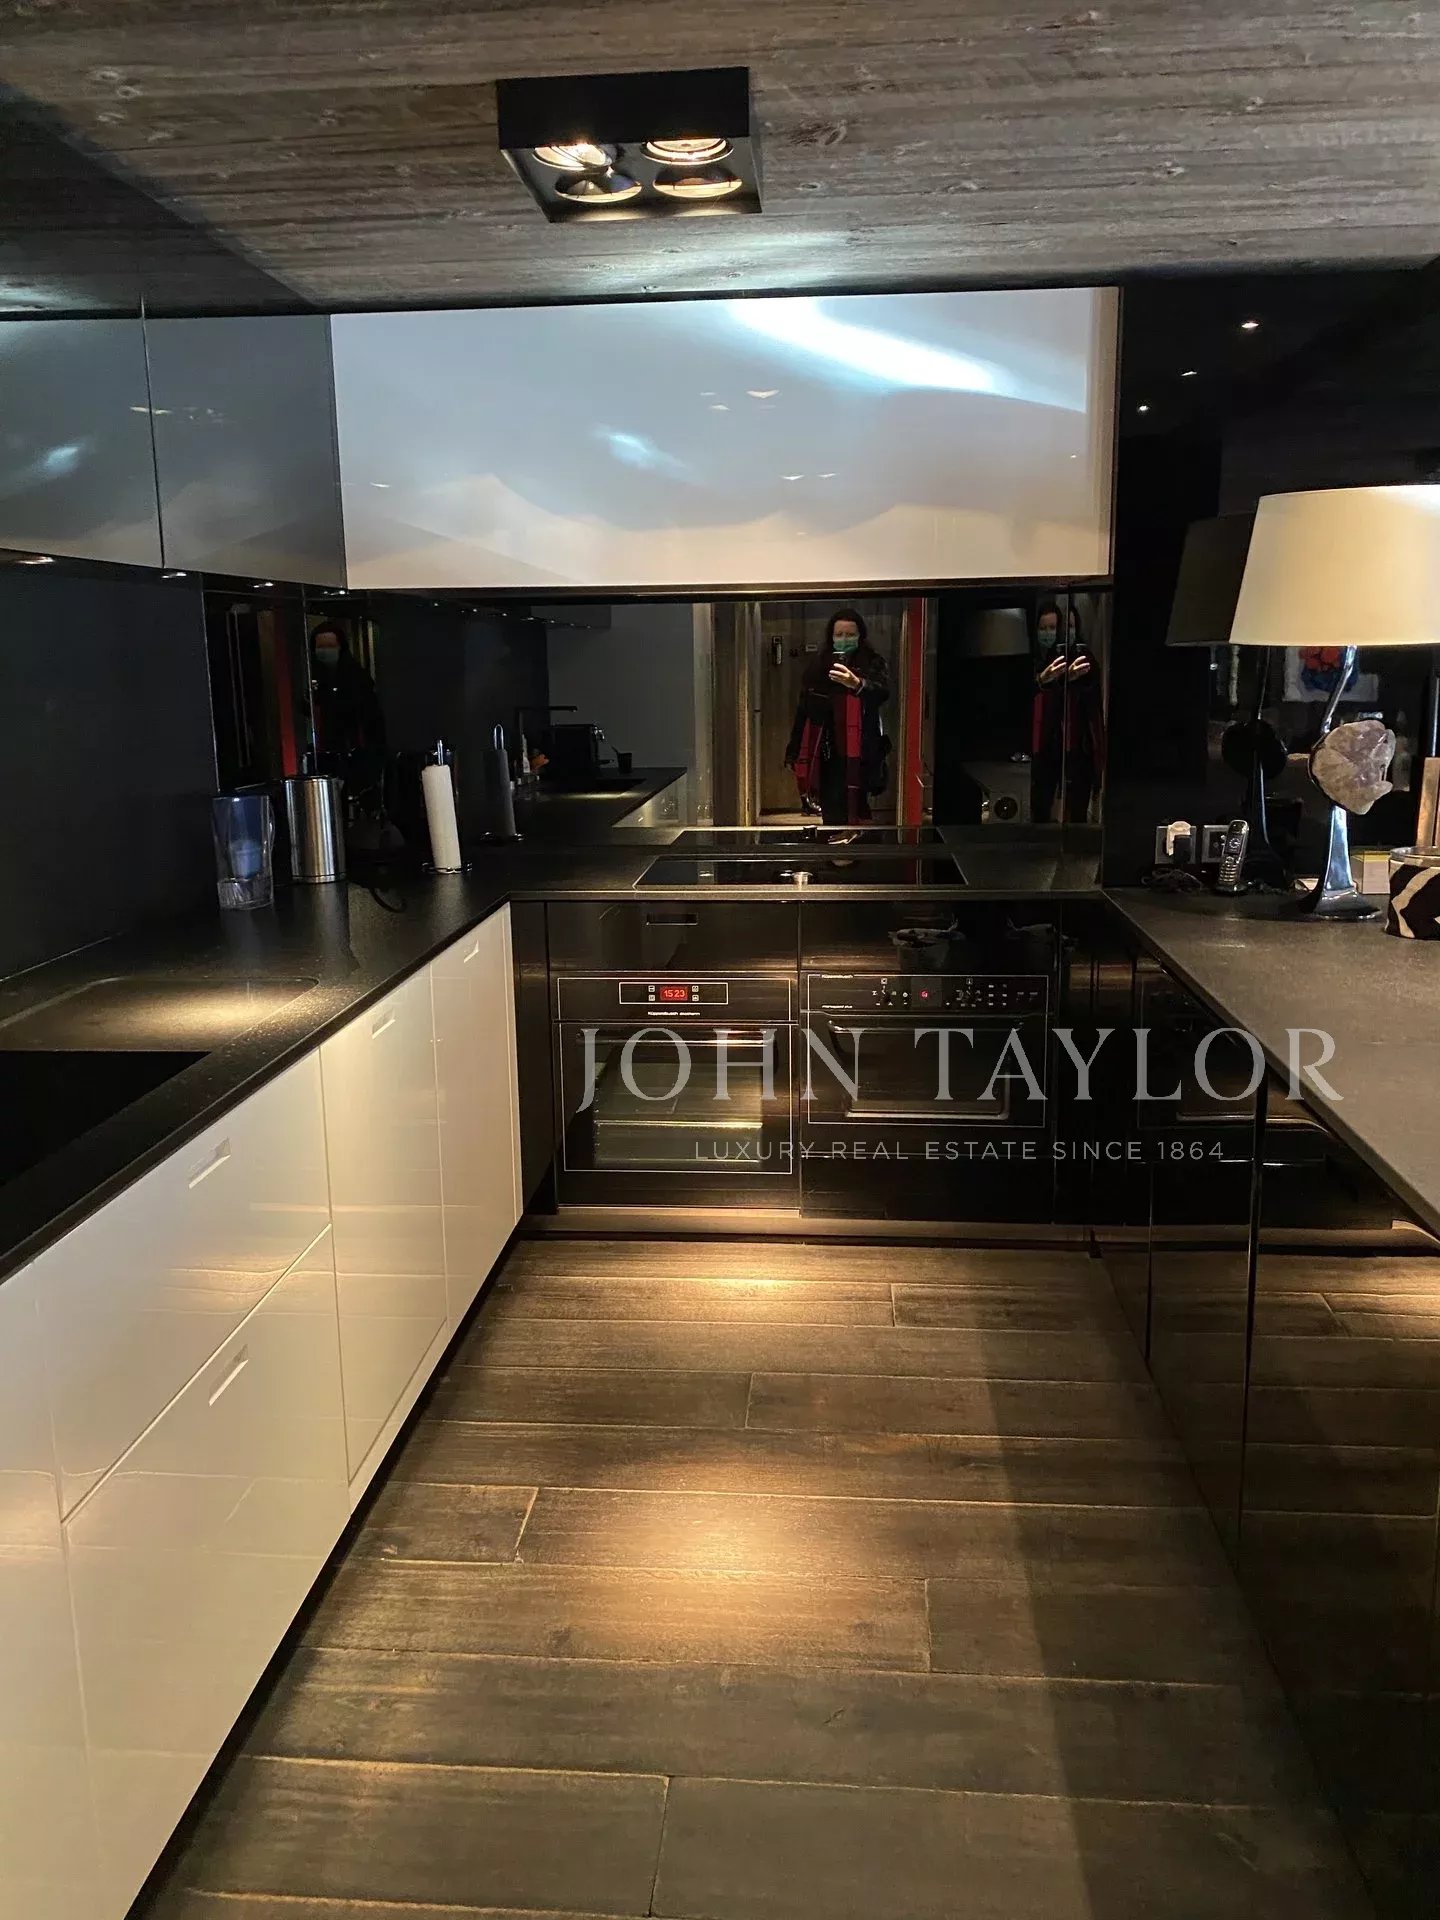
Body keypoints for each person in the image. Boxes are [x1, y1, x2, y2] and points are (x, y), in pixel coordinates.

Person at [784, 610, 890, 824]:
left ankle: (857, 841)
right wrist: (793, 750)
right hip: (826, 748)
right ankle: (834, 842)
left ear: (860, 636)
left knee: (859, 803)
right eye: (839, 634)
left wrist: (857, 684)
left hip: (861, 749)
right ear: (831, 637)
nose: (844, 639)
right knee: (831, 804)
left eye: (850, 635)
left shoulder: (872, 662)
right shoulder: (818, 666)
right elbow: (803, 710)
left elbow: (882, 693)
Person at [1030, 601, 1104, 823]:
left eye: (1065, 627)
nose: (1053, 634)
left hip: (1079, 747)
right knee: (1041, 807)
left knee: (1077, 811)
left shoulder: (1084, 656)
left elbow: (1091, 693)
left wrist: (1070, 680)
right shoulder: (1040, 659)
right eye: (1045, 628)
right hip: (1047, 746)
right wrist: (1047, 680)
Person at [309, 622, 386, 771]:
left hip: (356, 751)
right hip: (324, 753)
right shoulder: (312, 675)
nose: (325, 651)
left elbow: (367, 717)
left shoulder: (356, 676)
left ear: (340, 647)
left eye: (330, 646)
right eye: (320, 646)